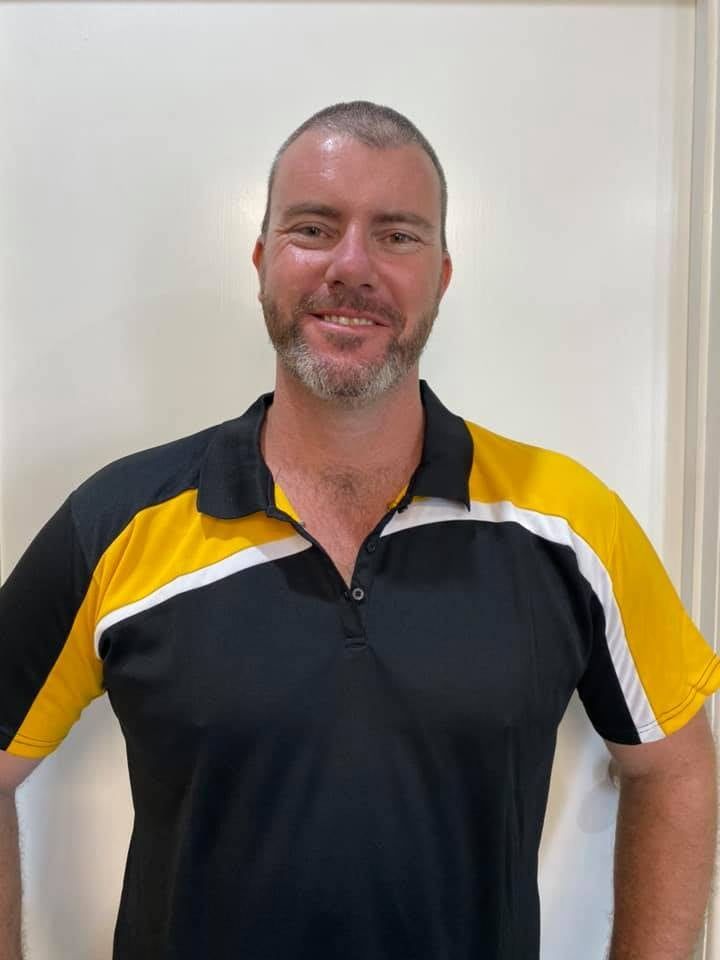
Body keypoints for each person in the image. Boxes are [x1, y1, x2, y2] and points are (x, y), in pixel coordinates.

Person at [0, 100, 717, 960]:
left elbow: (673, 763)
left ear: (441, 274)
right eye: (313, 227)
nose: (352, 265)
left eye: (398, 235)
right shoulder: (117, 521)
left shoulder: (568, 521)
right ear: (263, 261)